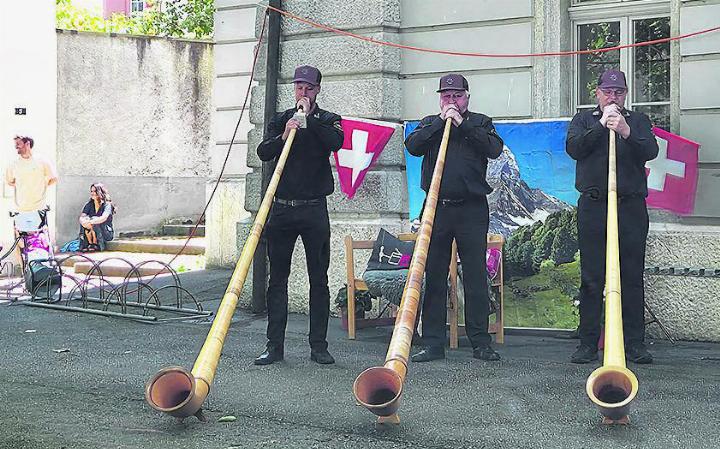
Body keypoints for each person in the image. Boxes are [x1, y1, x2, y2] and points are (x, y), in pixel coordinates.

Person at [405, 73, 504, 362]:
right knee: (434, 274)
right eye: (447, 96)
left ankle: (480, 341)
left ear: (467, 98)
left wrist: (462, 122)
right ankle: (433, 342)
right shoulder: (429, 123)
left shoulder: (481, 122)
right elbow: (413, 146)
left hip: (472, 208)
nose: (452, 101)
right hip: (437, 208)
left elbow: (494, 149)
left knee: (475, 275)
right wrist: (440, 121)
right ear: (440, 99)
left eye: (457, 96)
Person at [566, 69, 659, 364]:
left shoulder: (638, 121)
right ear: (597, 93)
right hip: (594, 206)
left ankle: (634, 344)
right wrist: (601, 126)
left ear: (626, 93)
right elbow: (574, 148)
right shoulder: (583, 120)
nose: (613, 97)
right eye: (607, 91)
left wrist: (625, 131)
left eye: (618, 92)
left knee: (631, 276)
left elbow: (651, 150)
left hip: (630, 206)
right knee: (592, 277)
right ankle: (587, 343)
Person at [253, 65, 344, 365]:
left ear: (317, 90)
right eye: (298, 88)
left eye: (308, 88)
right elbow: (263, 152)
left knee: (318, 279)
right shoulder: (281, 119)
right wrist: (285, 134)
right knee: (277, 280)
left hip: (314, 209)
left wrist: (309, 121)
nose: (302, 92)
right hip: (282, 209)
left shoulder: (329, 119)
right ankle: (273, 346)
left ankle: (318, 346)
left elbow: (336, 142)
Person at [5, 136, 57, 213]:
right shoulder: (13, 164)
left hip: (39, 209)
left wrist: (42, 185)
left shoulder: (42, 161)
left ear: (27, 144)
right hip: (20, 210)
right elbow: (9, 181)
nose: (16, 147)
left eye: (18, 144)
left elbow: (54, 178)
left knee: (41, 225)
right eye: (15, 144)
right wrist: (24, 184)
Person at [78, 183, 116, 252]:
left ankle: (96, 244)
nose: (92, 193)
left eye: (95, 191)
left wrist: (90, 222)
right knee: (85, 221)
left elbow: (103, 218)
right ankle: (88, 244)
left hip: (105, 231)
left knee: (95, 219)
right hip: (91, 228)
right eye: (91, 191)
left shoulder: (107, 205)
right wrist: (84, 222)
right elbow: (82, 216)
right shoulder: (89, 204)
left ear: (100, 192)